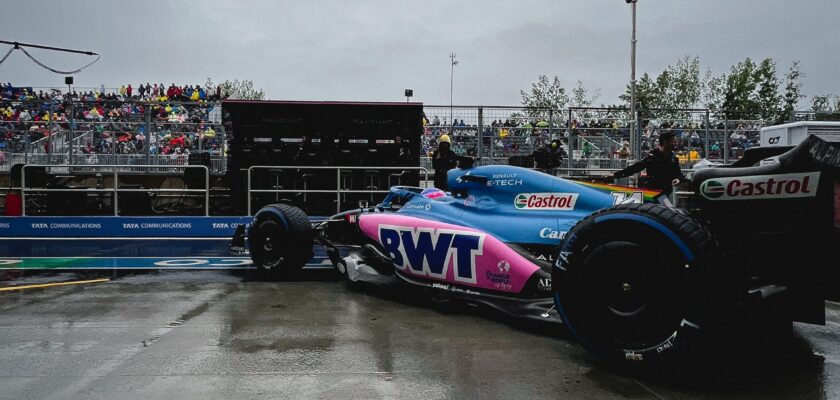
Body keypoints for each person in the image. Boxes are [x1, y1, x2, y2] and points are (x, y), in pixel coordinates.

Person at [613, 131, 686, 195]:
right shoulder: (652, 157)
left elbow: (678, 174)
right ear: (665, 142)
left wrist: (678, 179)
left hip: (666, 193)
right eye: (673, 141)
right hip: (652, 192)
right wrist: (616, 175)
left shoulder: (674, 159)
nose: (675, 143)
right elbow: (635, 168)